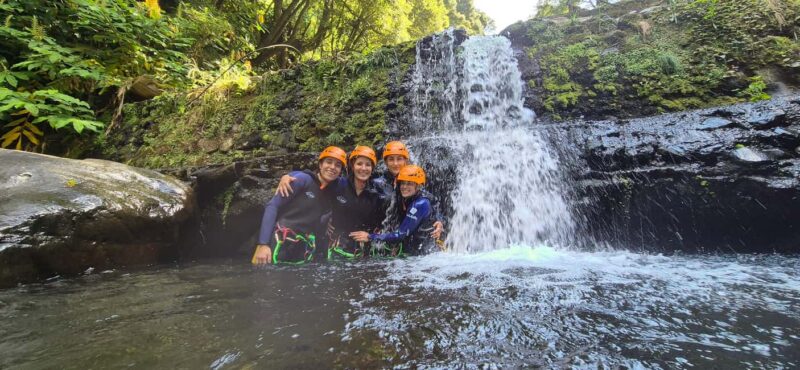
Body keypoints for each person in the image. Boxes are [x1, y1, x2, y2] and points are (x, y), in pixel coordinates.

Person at [252, 146, 346, 265]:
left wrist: (328, 221)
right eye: (329, 162)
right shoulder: (303, 179)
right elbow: (272, 206)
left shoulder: (332, 191)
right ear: (320, 165)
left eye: (338, 165)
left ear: (340, 171)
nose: (332, 167)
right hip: (277, 242)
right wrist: (263, 244)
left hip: (302, 248)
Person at [350, 165, 438, 256]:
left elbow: (400, 235)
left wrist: (369, 236)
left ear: (418, 186)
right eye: (403, 183)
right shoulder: (406, 197)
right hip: (415, 252)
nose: (404, 187)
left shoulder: (420, 204)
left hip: (423, 255)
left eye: (409, 184)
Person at [326, 145, 386, 260]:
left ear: (372, 168)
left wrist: (371, 236)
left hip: (365, 252)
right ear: (352, 166)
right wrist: (324, 219)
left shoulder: (377, 194)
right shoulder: (337, 184)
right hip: (336, 248)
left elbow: (385, 224)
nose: (363, 168)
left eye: (368, 165)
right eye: (359, 164)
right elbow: (316, 189)